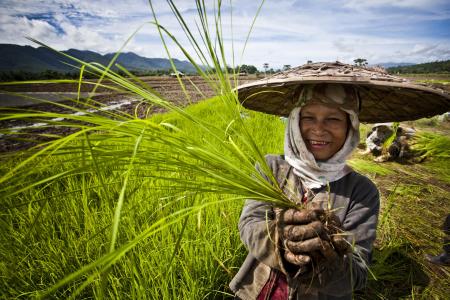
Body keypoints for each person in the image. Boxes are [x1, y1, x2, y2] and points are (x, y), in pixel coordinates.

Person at [230, 83, 380, 299]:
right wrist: (282, 242)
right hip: (257, 292)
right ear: (294, 121)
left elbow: (358, 273)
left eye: (333, 119)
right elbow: (249, 224)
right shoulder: (271, 168)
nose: (319, 129)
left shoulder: (362, 191)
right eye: (308, 117)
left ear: (351, 126)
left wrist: (329, 261)